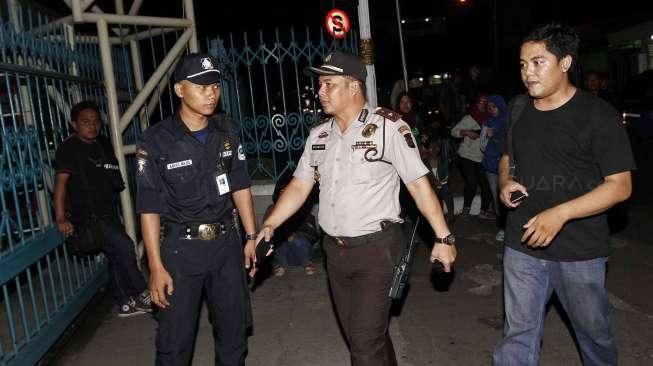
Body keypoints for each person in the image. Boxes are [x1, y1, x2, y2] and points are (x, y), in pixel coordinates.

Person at [255, 51, 456, 366]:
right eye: (320, 84)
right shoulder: (318, 135)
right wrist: (269, 225)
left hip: (376, 251)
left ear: (353, 87)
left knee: (363, 344)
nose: (320, 92)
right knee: (365, 337)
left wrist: (444, 238)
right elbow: (299, 185)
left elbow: (418, 184)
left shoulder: (388, 127)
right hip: (335, 253)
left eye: (328, 84)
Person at [493, 24, 635, 365]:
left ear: (566, 63)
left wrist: (561, 213)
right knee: (517, 337)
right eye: (523, 64)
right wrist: (504, 183)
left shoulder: (597, 115)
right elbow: (507, 157)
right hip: (521, 244)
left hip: (580, 251)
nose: (528, 72)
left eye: (538, 62)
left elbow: (620, 186)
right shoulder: (519, 109)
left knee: (594, 336)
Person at [135, 53, 258, 366]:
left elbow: (240, 184)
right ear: (179, 90)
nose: (210, 93)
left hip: (226, 246)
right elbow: (148, 206)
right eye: (201, 86)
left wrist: (251, 236)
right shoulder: (156, 139)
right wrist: (155, 265)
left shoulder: (226, 129)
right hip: (180, 250)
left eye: (214, 85)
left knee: (234, 337)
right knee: (174, 344)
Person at [54, 101, 150, 317]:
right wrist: (60, 217)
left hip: (108, 211)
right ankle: (143, 292)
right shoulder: (68, 148)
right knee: (125, 247)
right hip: (88, 216)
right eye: (86, 122)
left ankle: (125, 303)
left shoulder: (103, 144)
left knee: (116, 255)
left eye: (96, 121)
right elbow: (60, 184)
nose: (92, 126)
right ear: (73, 124)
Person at [267, 173, 319, 277]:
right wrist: (283, 235)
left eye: (288, 193)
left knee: (297, 240)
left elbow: (313, 235)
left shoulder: (303, 210)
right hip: (284, 255)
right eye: (282, 192)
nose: (285, 196)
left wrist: (294, 236)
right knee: (280, 241)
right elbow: (267, 234)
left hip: (301, 253)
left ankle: (307, 264)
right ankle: (281, 266)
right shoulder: (272, 209)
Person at [451, 94, 493, 218]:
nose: (483, 104)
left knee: (486, 185)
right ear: (476, 103)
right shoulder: (469, 118)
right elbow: (453, 131)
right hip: (466, 156)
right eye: (480, 101)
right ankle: (466, 208)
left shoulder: (490, 119)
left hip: (482, 157)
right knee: (471, 182)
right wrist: (466, 132)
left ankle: (484, 211)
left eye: (485, 101)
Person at [480, 94, 508, 241]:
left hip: (507, 163)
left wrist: (497, 135)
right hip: (491, 165)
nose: (491, 110)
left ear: (501, 106)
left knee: (508, 194)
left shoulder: (509, 121)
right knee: (496, 196)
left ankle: (511, 225)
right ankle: (501, 227)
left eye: (494, 107)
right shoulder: (487, 123)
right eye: (489, 107)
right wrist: (488, 136)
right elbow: (482, 146)